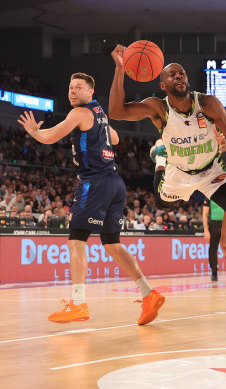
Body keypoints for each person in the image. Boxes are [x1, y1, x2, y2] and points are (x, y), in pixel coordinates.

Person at [109, 46, 226, 310]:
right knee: (162, 204)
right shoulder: (158, 108)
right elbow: (116, 111)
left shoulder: (207, 103)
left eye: (182, 73)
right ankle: (160, 158)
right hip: (178, 174)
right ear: (163, 85)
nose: (179, 76)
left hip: (210, 171)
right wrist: (119, 68)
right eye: (172, 75)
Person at [18, 72, 165, 325]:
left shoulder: (78, 113)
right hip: (115, 183)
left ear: (90, 93)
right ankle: (148, 293)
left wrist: (33, 131)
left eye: (78, 88)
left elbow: (49, 137)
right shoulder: (100, 113)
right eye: (70, 87)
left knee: (76, 240)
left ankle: (78, 303)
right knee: (112, 244)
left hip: (94, 183)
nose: (72, 91)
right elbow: (116, 139)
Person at [202, 197, 226, 282]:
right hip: (214, 224)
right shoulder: (209, 195)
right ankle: (214, 272)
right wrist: (206, 230)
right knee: (213, 249)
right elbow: (204, 214)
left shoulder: (225, 194)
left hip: (225, 224)